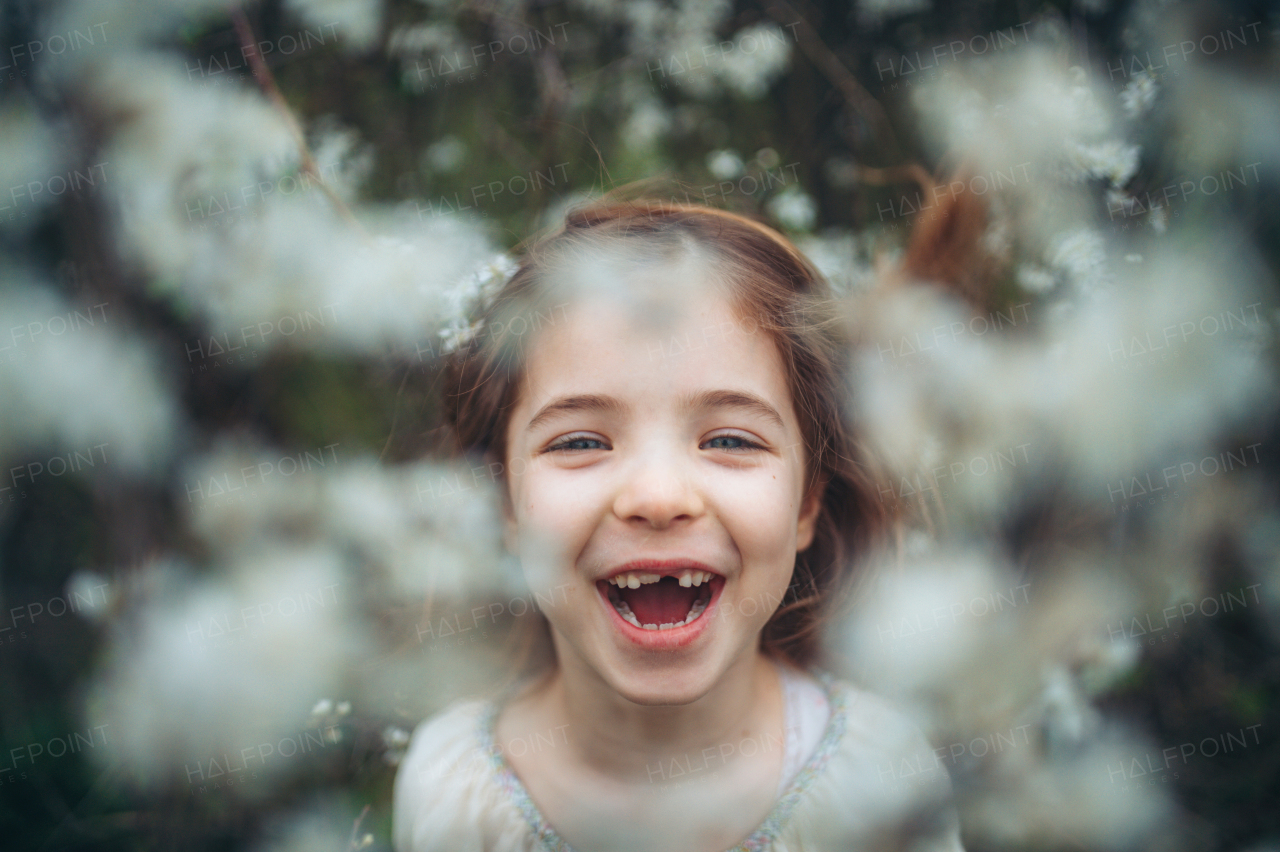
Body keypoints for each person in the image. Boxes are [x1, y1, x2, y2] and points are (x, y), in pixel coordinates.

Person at [393, 200, 965, 851]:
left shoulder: (883, 785)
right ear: (503, 505)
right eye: (580, 442)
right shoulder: (450, 794)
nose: (658, 497)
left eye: (729, 439)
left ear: (807, 502)